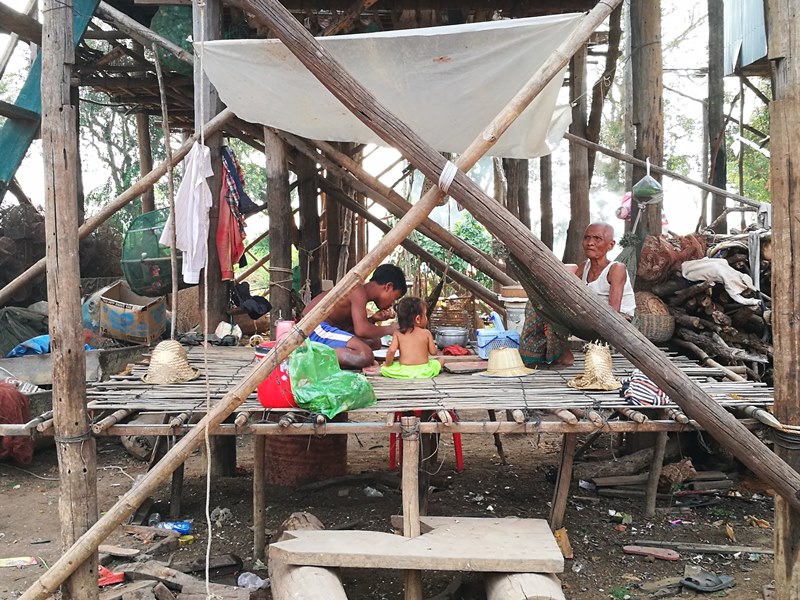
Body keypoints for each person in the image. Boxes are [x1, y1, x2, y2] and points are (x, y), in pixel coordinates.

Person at [519, 222, 635, 368]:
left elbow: (614, 311)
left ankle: (560, 353)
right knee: (540, 303)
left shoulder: (617, 268)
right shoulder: (583, 267)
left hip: (615, 320)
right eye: (587, 238)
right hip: (589, 315)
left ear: (610, 245)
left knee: (551, 308)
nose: (590, 243)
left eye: (597, 239)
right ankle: (552, 353)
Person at [302, 263, 407, 369]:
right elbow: (361, 330)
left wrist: (372, 319)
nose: (391, 304)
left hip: (322, 329)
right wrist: (390, 329)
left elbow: (351, 328)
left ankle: (329, 357)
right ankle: (307, 359)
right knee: (364, 355)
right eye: (394, 298)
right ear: (388, 287)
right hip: (312, 327)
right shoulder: (357, 290)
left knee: (375, 343)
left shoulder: (360, 294)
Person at [380, 296, 442, 379]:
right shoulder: (426, 333)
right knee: (440, 360)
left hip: (404, 370)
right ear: (418, 319)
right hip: (424, 370)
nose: (426, 318)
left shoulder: (398, 333)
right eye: (425, 315)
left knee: (386, 368)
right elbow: (433, 352)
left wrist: (387, 365)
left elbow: (391, 350)